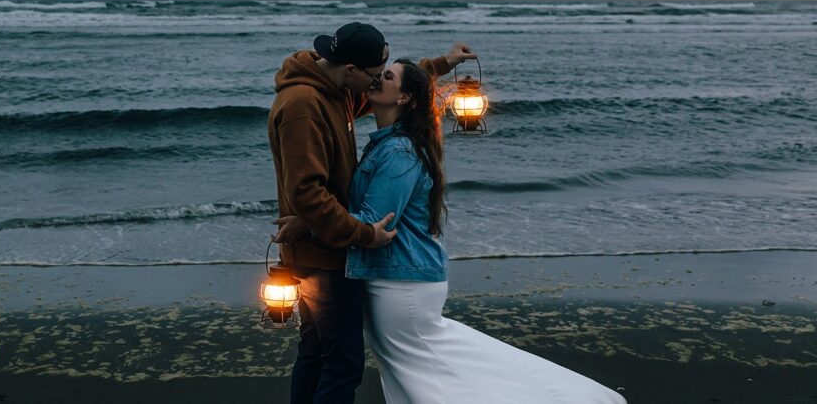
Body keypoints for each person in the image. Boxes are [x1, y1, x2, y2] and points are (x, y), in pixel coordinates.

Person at [345, 58, 628, 404]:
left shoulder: (399, 151)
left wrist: (307, 226)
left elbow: (375, 219)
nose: (376, 79)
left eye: (387, 76)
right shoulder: (390, 143)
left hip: (399, 283)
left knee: (426, 381)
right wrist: (443, 62)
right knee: (420, 375)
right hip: (401, 278)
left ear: (403, 98)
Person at [268, 22, 476, 404]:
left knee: (317, 357)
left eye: (384, 75)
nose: (377, 82)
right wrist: (364, 234)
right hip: (326, 259)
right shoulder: (304, 105)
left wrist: (441, 64)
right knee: (341, 365)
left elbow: (400, 94)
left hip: (328, 246)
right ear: (351, 70)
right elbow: (307, 192)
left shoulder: (337, 92)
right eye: (375, 75)